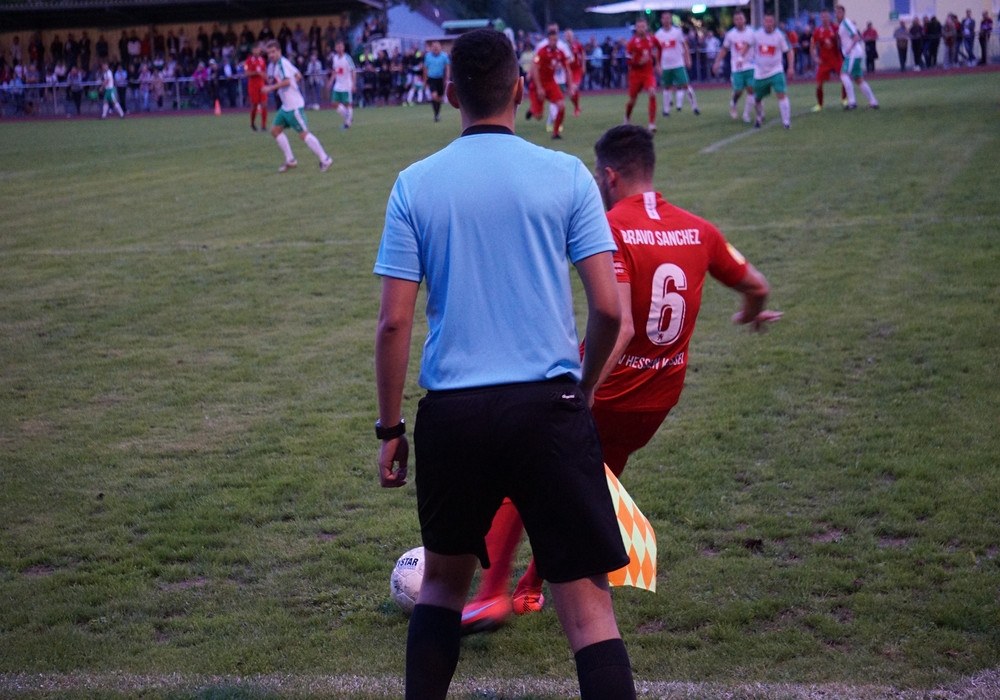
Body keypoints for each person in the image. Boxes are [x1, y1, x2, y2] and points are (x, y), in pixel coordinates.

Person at [373, 27, 636, 700]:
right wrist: (582, 388)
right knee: (589, 611)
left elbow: (394, 321)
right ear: (521, 89)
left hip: (453, 414)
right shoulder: (567, 174)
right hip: (548, 407)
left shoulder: (413, 184)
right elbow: (609, 310)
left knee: (440, 589)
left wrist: (390, 428)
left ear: (448, 92)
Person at [460, 123, 782, 635]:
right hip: (656, 400)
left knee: (517, 475)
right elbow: (757, 285)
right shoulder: (698, 229)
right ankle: (531, 586)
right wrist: (751, 311)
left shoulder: (610, 227)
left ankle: (487, 597)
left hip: (607, 388)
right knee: (585, 484)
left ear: (609, 176)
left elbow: (622, 324)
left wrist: (583, 390)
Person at [260, 40, 333, 173]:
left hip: (293, 107)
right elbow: (298, 75)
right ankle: (290, 160)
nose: (271, 55)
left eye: (273, 52)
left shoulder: (282, 64)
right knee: (275, 130)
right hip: (286, 106)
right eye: (269, 53)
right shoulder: (282, 63)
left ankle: (325, 159)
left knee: (304, 135)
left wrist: (271, 88)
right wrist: (291, 86)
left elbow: (287, 81)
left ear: (279, 51)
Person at [752, 13, 794, 129]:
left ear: (774, 22)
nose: (768, 24)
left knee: (781, 94)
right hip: (760, 72)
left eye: (771, 21)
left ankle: (786, 122)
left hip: (776, 70)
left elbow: (789, 51)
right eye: (766, 21)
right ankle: (759, 116)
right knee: (757, 98)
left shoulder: (780, 35)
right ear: (763, 22)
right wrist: (741, 58)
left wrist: (791, 67)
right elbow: (748, 45)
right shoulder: (757, 34)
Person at [713, 10, 755, 122]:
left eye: (741, 18)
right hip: (737, 67)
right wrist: (717, 62)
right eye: (736, 19)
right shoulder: (731, 34)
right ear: (734, 21)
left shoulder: (752, 32)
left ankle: (746, 115)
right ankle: (734, 102)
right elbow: (724, 49)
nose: (739, 21)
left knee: (751, 89)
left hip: (750, 65)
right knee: (739, 91)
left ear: (745, 19)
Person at [655, 11, 700, 116]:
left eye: (668, 18)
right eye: (664, 18)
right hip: (665, 65)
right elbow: (657, 51)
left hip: (678, 63)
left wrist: (687, 58)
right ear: (661, 20)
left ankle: (695, 107)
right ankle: (666, 110)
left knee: (685, 85)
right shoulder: (658, 34)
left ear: (671, 19)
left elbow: (685, 46)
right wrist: (657, 64)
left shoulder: (677, 32)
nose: (666, 20)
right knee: (667, 87)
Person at [836, 5, 880, 110]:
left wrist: (849, 48)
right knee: (858, 79)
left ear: (843, 13)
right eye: (836, 13)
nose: (837, 15)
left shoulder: (846, 23)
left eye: (839, 12)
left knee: (843, 74)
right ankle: (873, 102)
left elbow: (856, 37)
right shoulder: (842, 25)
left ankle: (852, 102)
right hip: (855, 53)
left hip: (853, 53)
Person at [529, 27, 569, 139]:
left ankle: (555, 133)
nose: (553, 42)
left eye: (555, 40)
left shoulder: (560, 53)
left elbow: (567, 68)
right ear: (548, 40)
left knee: (561, 106)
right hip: (538, 84)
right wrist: (539, 88)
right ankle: (532, 110)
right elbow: (535, 69)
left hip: (551, 83)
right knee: (538, 116)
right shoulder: (542, 52)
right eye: (551, 40)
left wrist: (570, 86)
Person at [623, 17, 660, 132]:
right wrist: (639, 63)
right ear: (636, 28)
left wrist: (658, 63)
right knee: (632, 100)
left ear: (646, 27)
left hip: (648, 73)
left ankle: (652, 123)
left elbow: (660, 48)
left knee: (652, 93)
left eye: (643, 26)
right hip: (635, 75)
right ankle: (627, 118)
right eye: (639, 27)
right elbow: (627, 61)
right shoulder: (632, 43)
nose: (641, 29)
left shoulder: (652, 39)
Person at [810, 10, 843, 111]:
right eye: (823, 17)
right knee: (819, 84)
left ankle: (845, 99)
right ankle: (819, 105)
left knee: (845, 78)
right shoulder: (817, 31)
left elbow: (843, 39)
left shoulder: (835, 28)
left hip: (836, 58)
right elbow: (812, 46)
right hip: (824, 61)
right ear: (820, 18)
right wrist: (815, 58)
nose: (824, 19)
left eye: (826, 16)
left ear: (829, 17)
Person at [325, 40, 355, 129]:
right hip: (338, 84)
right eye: (337, 47)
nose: (339, 48)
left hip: (346, 85)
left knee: (347, 104)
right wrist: (330, 81)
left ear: (343, 48)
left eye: (341, 47)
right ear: (335, 48)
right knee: (334, 103)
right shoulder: (335, 58)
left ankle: (347, 124)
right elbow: (335, 71)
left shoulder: (347, 58)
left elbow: (353, 71)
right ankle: (348, 117)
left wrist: (354, 84)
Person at [422, 40, 450, 122]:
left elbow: (447, 67)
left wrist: (447, 78)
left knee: (439, 98)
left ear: (440, 47)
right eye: (434, 47)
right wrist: (425, 80)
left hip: (440, 79)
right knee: (434, 96)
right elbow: (425, 69)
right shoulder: (428, 56)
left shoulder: (444, 56)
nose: (435, 48)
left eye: (437, 46)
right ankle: (436, 114)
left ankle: (437, 114)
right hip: (432, 79)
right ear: (431, 48)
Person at [243, 42, 267, 131]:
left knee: (264, 104)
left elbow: (264, 72)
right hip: (252, 85)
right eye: (255, 50)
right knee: (255, 105)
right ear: (252, 51)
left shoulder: (262, 60)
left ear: (260, 50)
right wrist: (257, 73)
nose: (256, 51)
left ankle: (263, 125)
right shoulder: (248, 60)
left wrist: (269, 82)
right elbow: (246, 74)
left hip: (261, 84)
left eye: (258, 49)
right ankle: (252, 123)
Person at [564, 28, 585, 116]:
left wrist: (583, 65)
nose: (568, 37)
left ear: (572, 36)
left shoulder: (577, 45)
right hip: (567, 72)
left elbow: (583, 53)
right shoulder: (563, 46)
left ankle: (576, 108)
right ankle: (577, 107)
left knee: (573, 88)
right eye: (567, 35)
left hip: (576, 70)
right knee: (570, 93)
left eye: (570, 35)